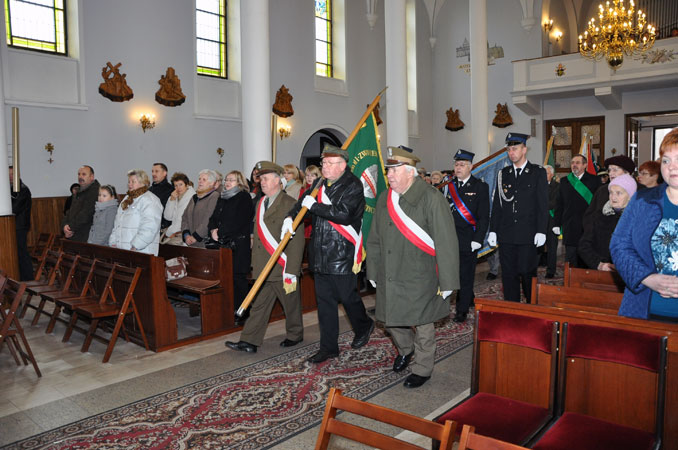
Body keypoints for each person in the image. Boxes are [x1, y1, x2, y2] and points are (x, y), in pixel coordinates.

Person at [367, 146, 460, 388]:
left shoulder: (431, 198)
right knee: (391, 320)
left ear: (410, 172)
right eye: (388, 171)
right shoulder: (385, 198)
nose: (389, 175)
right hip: (390, 272)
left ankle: (423, 368)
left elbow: (446, 242)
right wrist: (373, 269)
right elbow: (374, 238)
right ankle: (406, 349)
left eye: (394, 170)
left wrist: (448, 281)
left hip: (420, 274)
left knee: (423, 322)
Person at [283, 143, 374, 363]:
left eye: (329, 163)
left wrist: (314, 207)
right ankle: (328, 347)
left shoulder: (353, 185)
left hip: (341, 252)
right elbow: (303, 204)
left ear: (342, 165)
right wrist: (290, 217)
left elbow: (344, 215)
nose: (324, 167)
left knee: (348, 297)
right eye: (323, 162)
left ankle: (364, 325)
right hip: (319, 252)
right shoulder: (319, 183)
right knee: (324, 304)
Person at [224, 162, 305, 352]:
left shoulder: (290, 204)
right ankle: (249, 340)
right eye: (261, 179)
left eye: (266, 178)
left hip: (282, 266)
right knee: (259, 305)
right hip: (264, 265)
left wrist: (292, 269)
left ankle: (295, 334)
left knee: (290, 304)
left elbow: (297, 241)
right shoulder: (261, 203)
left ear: (278, 180)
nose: (262, 182)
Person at [611, 128, 678, 322]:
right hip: (645, 308)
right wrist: (646, 278)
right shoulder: (643, 200)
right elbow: (619, 245)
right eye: (666, 161)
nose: (672, 167)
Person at [488, 133, 548, 303]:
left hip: (528, 233)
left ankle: (531, 305)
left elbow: (542, 205)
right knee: (508, 274)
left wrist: (541, 230)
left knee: (528, 272)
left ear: (524, 149)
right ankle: (512, 307)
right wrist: (493, 230)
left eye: (515, 149)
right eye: (509, 149)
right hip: (507, 234)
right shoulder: (503, 174)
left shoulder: (537, 172)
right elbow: (497, 205)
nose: (511, 152)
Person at [442, 149, 489, 323]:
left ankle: (461, 311)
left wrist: (478, 239)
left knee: (465, 275)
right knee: (450, 273)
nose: (458, 168)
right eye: (456, 165)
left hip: (468, 239)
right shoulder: (448, 186)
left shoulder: (480, 187)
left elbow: (484, 216)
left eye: (462, 165)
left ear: (470, 167)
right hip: (449, 238)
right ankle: (468, 298)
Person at [208, 170, 254, 320]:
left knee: (238, 279)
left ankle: (242, 312)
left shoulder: (244, 197)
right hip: (224, 245)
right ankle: (229, 309)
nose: (227, 182)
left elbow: (239, 221)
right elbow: (213, 218)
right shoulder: (223, 197)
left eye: (231, 180)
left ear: (239, 182)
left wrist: (220, 232)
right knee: (226, 278)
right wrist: (213, 230)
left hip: (238, 245)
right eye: (226, 180)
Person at [579, 174, 636, 271]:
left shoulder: (639, 219)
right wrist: (599, 264)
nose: (613, 197)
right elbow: (584, 245)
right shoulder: (599, 216)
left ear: (630, 196)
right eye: (611, 192)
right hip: (600, 273)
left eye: (619, 193)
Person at [553, 155, 601, 267]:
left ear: (585, 165)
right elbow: (559, 204)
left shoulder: (594, 180)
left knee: (586, 259)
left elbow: (598, 204)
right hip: (570, 225)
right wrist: (556, 224)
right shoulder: (564, 181)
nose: (574, 165)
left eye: (577, 163)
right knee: (571, 259)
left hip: (587, 226)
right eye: (572, 163)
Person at [109, 169, 163, 255]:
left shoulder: (150, 200)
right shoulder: (127, 199)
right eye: (129, 181)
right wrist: (113, 242)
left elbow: (149, 228)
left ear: (143, 183)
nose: (130, 184)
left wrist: (135, 246)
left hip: (140, 252)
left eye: (133, 181)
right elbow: (117, 224)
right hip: (122, 250)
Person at [583, 155, 635, 228]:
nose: (610, 173)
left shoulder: (640, 191)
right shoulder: (602, 190)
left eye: (615, 170)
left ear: (627, 172)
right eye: (609, 170)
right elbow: (589, 216)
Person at [181, 169, 220, 247]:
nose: (200, 181)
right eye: (199, 179)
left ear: (211, 183)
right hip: (190, 242)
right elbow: (184, 217)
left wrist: (196, 236)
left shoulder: (214, 196)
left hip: (204, 243)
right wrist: (186, 235)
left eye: (204, 180)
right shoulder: (194, 197)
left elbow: (208, 219)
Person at [61, 165, 100, 242]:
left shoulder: (95, 191)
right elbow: (70, 211)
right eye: (79, 174)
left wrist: (70, 228)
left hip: (86, 236)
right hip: (74, 234)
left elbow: (86, 214)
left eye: (84, 174)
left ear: (92, 177)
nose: (80, 177)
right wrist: (64, 226)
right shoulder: (78, 191)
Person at [9, 165, 33, 281]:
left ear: (18, 175)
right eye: (8, 174)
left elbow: (14, 208)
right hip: (13, 226)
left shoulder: (23, 189)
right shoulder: (10, 188)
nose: (10, 176)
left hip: (20, 226)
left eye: (12, 174)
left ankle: (28, 279)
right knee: (17, 253)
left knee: (22, 252)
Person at [162, 172, 195, 245]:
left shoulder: (193, 197)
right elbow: (167, 217)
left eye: (180, 184)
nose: (178, 188)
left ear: (186, 184)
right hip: (173, 232)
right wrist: (172, 200)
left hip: (185, 234)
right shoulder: (174, 197)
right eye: (176, 185)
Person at [542, 165, 560, 278]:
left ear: (552, 175)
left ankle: (551, 271)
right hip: (539, 221)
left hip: (552, 222)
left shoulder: (557, 186)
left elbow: (554, 203)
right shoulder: (537, 185)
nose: (544, 175)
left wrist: (540, 205)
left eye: (547, 173)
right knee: (536, 247)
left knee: (552, 247)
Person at [301, 165, 321, 238]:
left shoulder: (319, 190)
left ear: (317, 177)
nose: (309, 178)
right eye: (307, 175)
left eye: (312, 175)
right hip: (303, 222)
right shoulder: (303, 190)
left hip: (314, 223)